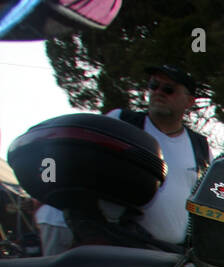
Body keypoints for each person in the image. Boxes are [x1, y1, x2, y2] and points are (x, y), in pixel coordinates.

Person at [37, 63, 211, 253]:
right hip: (114, 245)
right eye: (154, 85)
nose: (159, 92)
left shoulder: (200, 147)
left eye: (169, 89)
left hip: (167, 256)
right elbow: (79, 162)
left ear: (189, 102)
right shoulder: (122, 121)